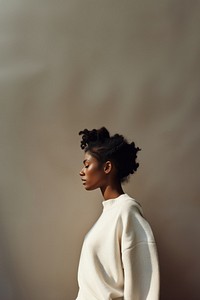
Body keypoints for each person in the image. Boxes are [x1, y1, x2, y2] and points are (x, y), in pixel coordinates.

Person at [76, 127, 160, 300]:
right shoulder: (108, 214)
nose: (81, 171)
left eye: (86, 165)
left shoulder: (126, 211)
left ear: (107, 167)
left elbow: (145, 285)